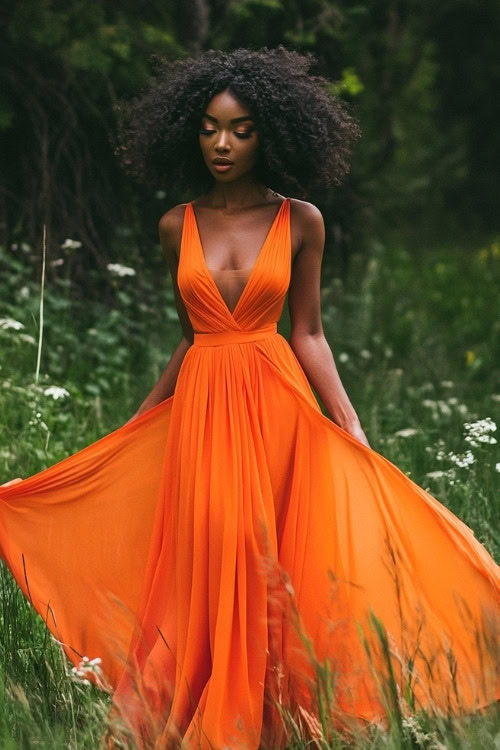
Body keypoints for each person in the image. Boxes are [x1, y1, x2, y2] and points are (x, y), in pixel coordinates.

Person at [0, 47, 498, 750]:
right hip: (203, 410)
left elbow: (310, 333)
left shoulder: (302, 221)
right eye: (208, 128)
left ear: (270, 134)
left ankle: (274, 720)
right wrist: (134, 427)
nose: (222, 144)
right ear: (190, 133)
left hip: (277, 408)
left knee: (268, 562)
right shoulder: (176, 224)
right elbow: (189, 338)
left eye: (239, 129)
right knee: (212, 547)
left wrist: (349, 422)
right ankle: (212, 706)